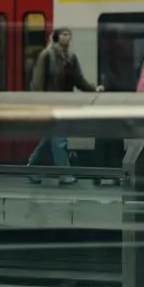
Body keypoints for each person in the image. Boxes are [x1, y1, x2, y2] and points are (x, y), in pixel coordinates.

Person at [26, 27, 102, 185]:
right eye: (64, 34)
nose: (67, 37)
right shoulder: (47, 55)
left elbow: (79, 80)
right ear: (57, 37)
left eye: (69, 35)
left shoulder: (71, 57)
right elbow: (38, 82)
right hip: (51, 104)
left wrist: (93, 89)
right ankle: (64, 174)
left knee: (49, 140)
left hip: (65, 104)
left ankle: (31, 167)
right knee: (60, 139)